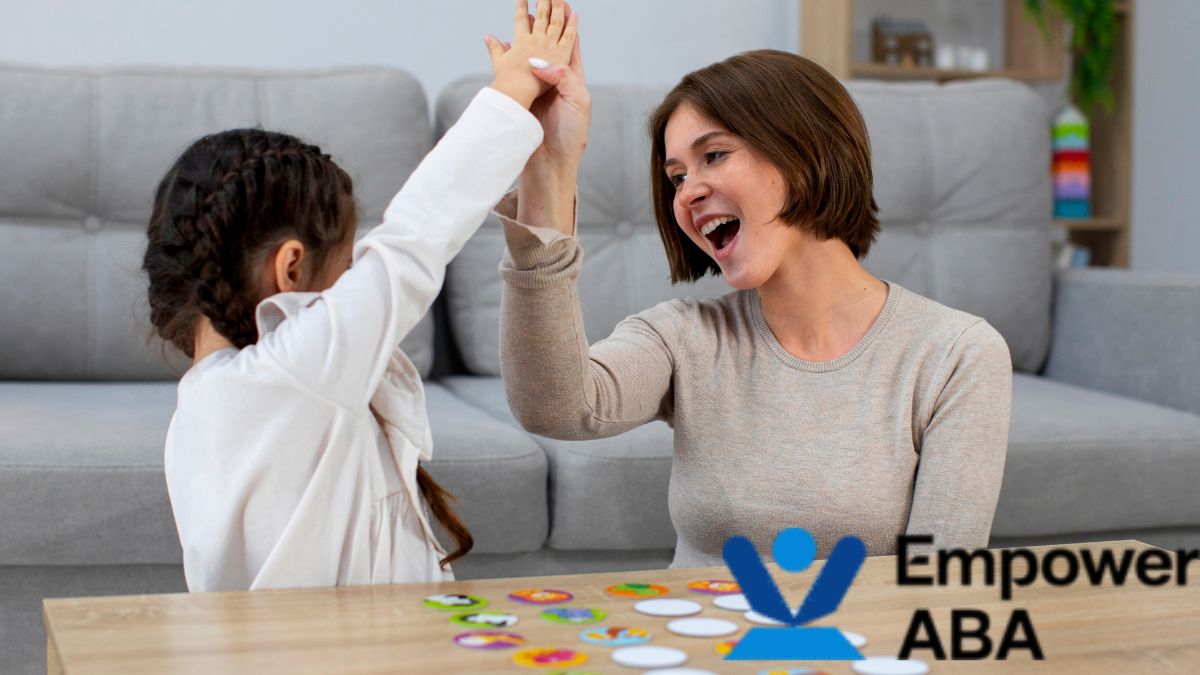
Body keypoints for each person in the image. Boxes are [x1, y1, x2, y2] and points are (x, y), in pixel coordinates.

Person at [496, 49, 1013, 567]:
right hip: (696, 645)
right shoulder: (684, 336)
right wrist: (550, 173)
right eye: (676, 177)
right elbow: (557, 406)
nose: (688, 194)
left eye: (714, 155)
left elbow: (942, 584)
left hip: (855, 647)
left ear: (806, 150)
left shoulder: (956, 355)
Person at [142, 0, 578, 591]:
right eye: (351, 267)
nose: (360, 282)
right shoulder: (293, 372)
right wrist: (512, 90)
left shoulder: (207, 406)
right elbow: (414, 239)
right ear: (290, 268)